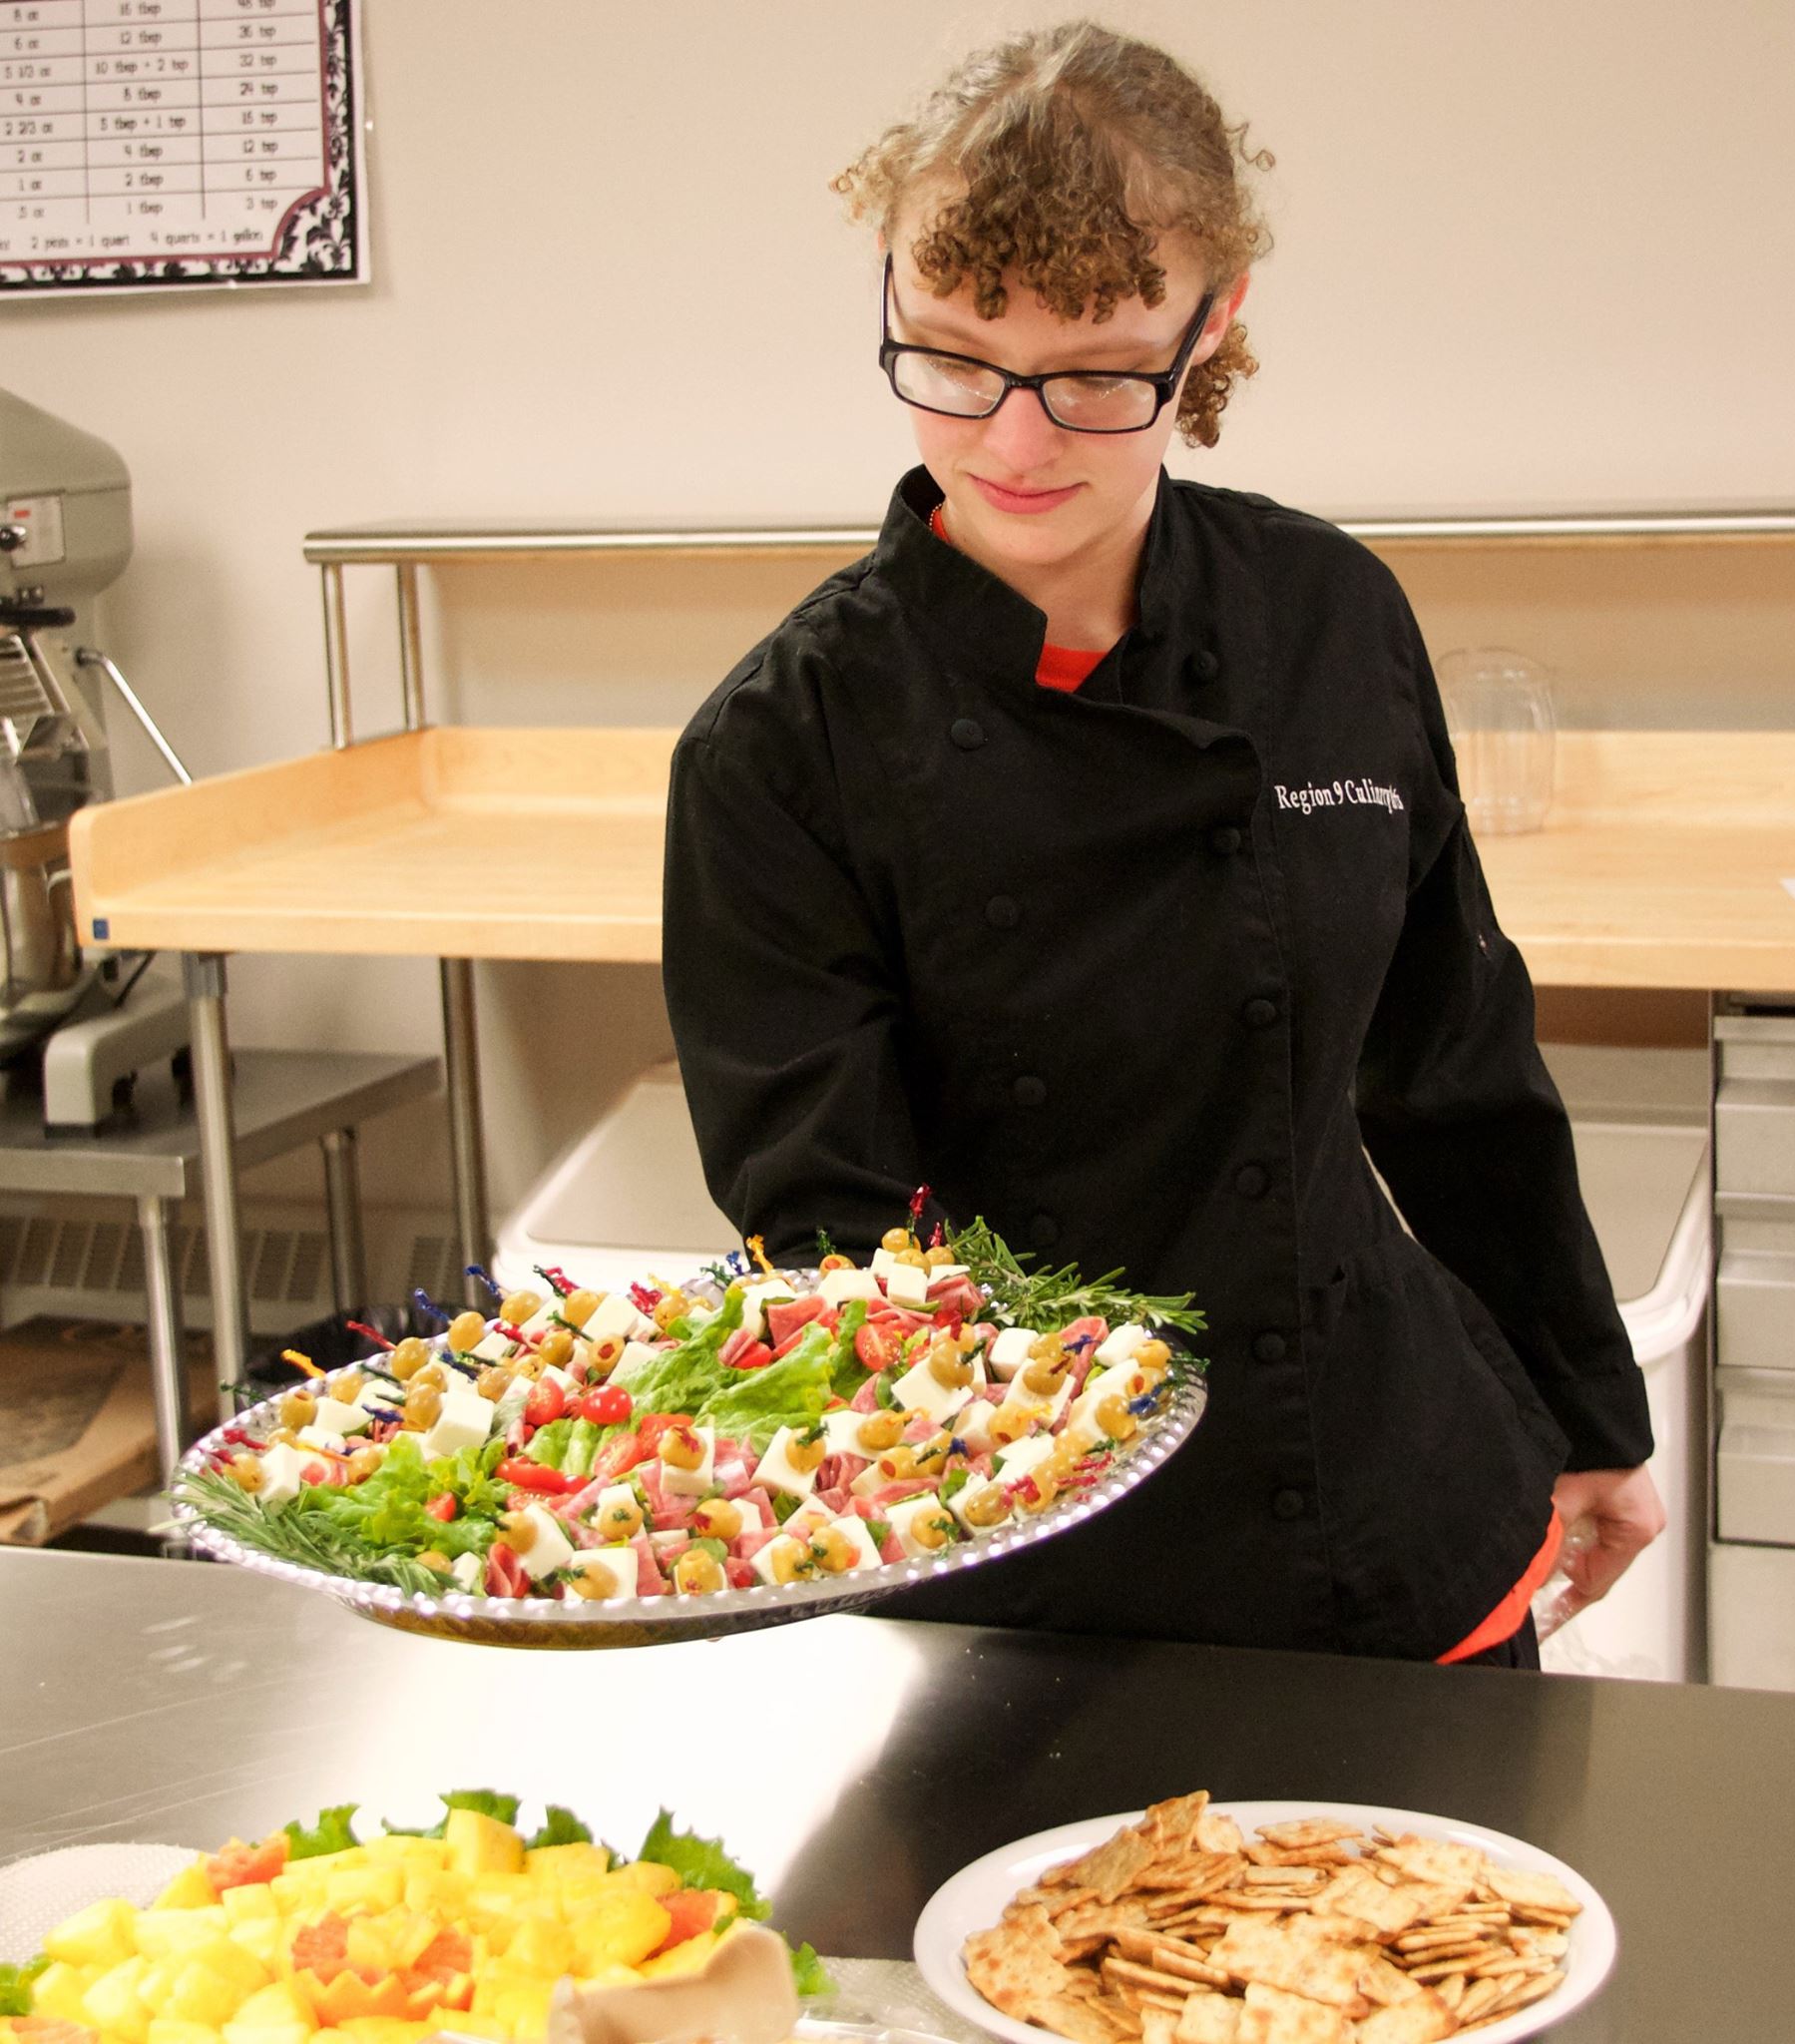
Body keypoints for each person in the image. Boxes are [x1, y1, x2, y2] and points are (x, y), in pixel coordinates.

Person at [662, 19, 1663, 1665]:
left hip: (1393, 1506)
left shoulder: (1328, 614)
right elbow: (836, 1256)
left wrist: (1585, 1408)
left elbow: (1452, 1061)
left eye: (1098, 374)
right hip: (1026, 1574)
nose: (1011, 442)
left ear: (1213, 336)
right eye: (952, 357)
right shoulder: (785, 744)